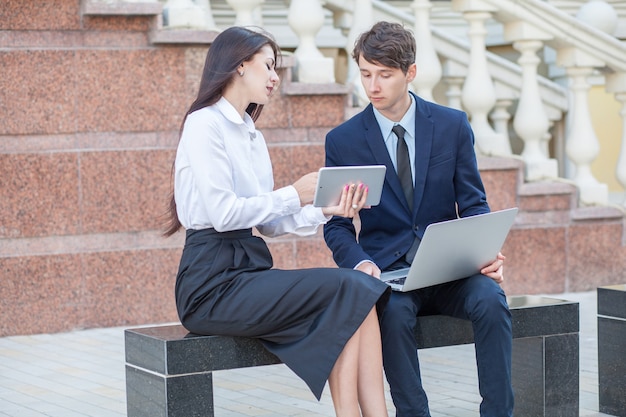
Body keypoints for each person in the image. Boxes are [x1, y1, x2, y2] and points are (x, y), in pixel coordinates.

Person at [162, 26, 391, 417]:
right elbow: (223, 214)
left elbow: (268, 225)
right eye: (268, 66)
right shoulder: (205, 124)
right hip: (209, 284)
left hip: (249, 270)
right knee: (349, 287)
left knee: (362, 289)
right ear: (239, 66)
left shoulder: (251, 135)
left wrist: (326, 209)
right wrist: (295, 193)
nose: (274, 77)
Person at [323, 21, 514, 417]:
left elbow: (474, 204)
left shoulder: (452, 126)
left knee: (492, 300)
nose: (373, 86)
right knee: (393, 315)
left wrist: (485, 251)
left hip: (451, 272)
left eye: (385, 75)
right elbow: (337, 225)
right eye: (365, 74)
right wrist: (361, 264)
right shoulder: (343, 141)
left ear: (410, 73)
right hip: (390, 278)